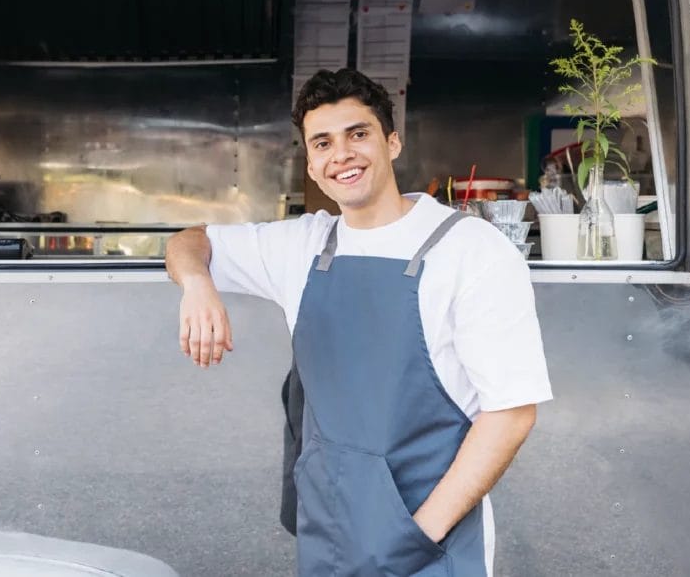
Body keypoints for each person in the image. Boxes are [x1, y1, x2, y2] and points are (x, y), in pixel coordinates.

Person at [165, 68, 552, 576]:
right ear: (311, 161)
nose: (341, 154)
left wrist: (415, 537)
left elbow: (511, 414)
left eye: (358, 134)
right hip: (329, 537)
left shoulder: (470, 251)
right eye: (322, 143)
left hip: (427, 544)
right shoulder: (303, 245)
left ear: (392, 142)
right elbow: (188, 241)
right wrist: (197, 285)